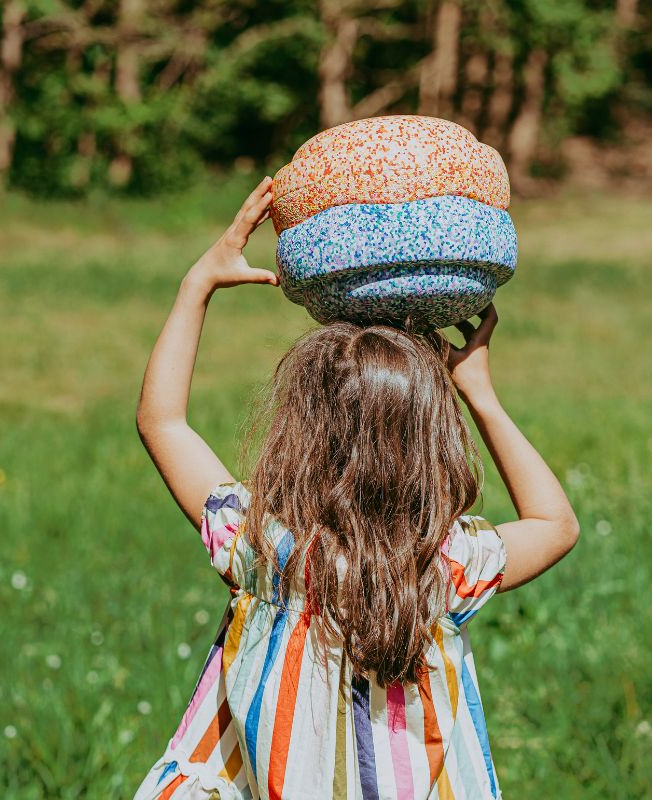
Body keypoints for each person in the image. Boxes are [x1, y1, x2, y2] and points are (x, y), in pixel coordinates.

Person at [132, 176, 579, 800]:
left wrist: (197, 285)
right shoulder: (441, 569)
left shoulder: (263, 547)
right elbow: (556, 525)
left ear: (299, 430)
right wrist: (481, 394)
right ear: (431, 446)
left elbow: (162, 421)